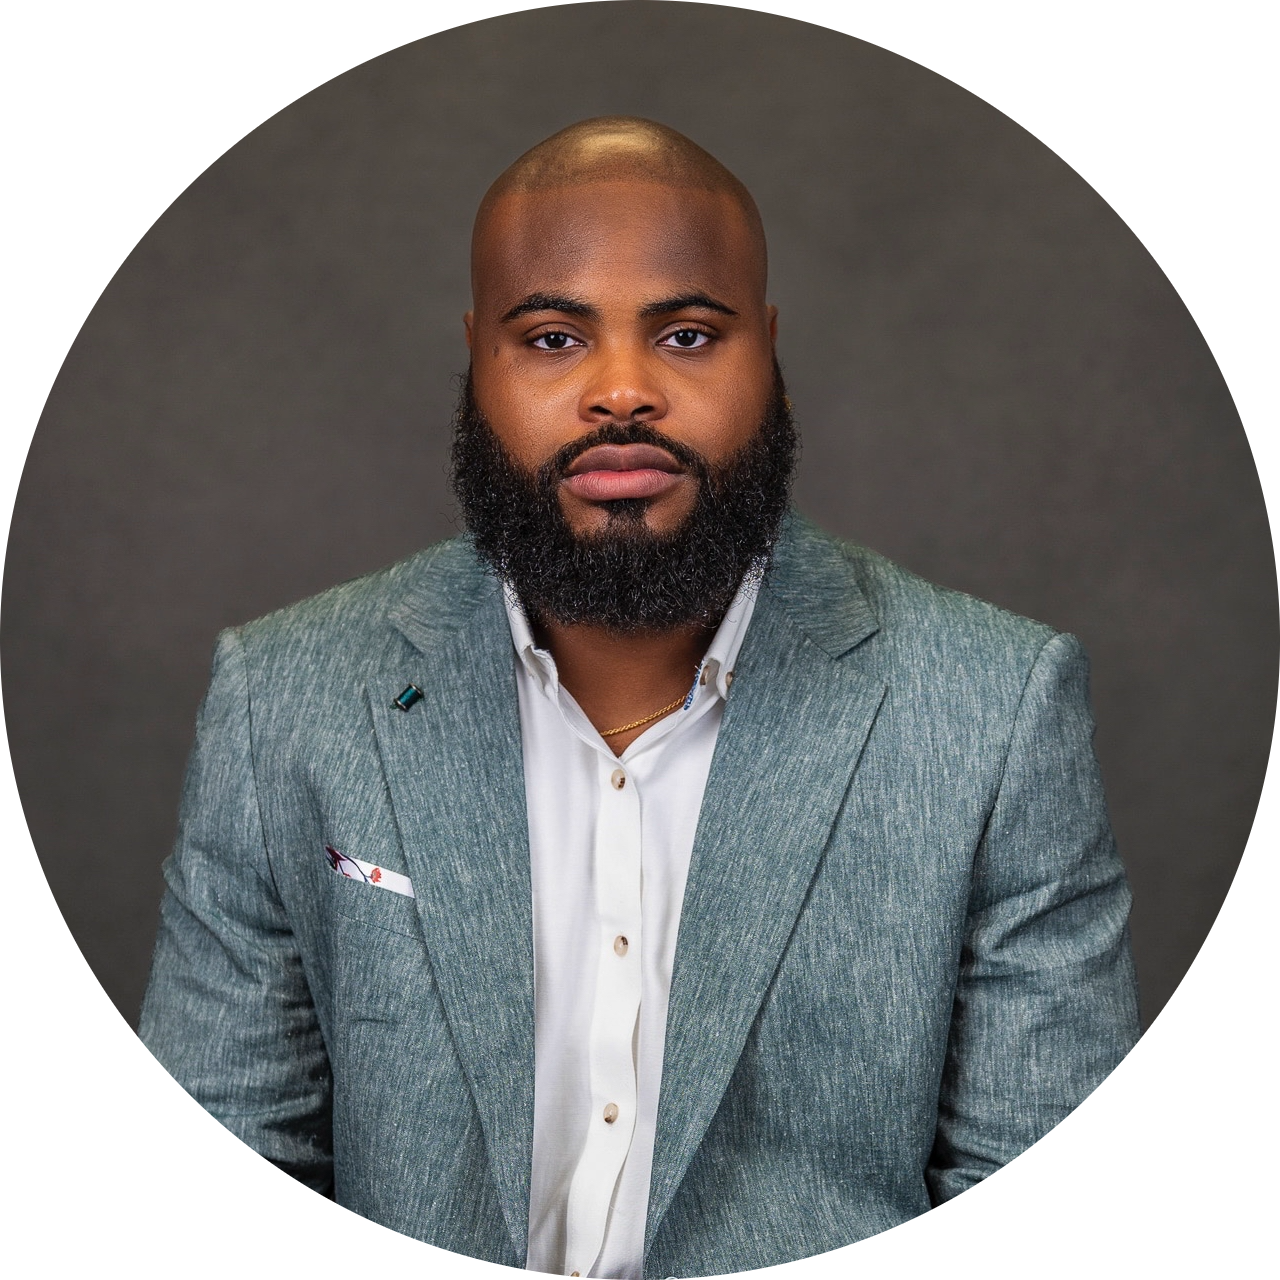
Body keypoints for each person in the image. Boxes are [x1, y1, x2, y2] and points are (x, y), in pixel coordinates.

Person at [139, 116, 1141, 1280]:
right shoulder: (283, 697)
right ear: (476, 359)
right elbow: (219, 1188)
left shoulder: (993, 709)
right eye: (553, 337)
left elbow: (1032, 1227)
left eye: (687, 334)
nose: (621, 391)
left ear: (767, 352)